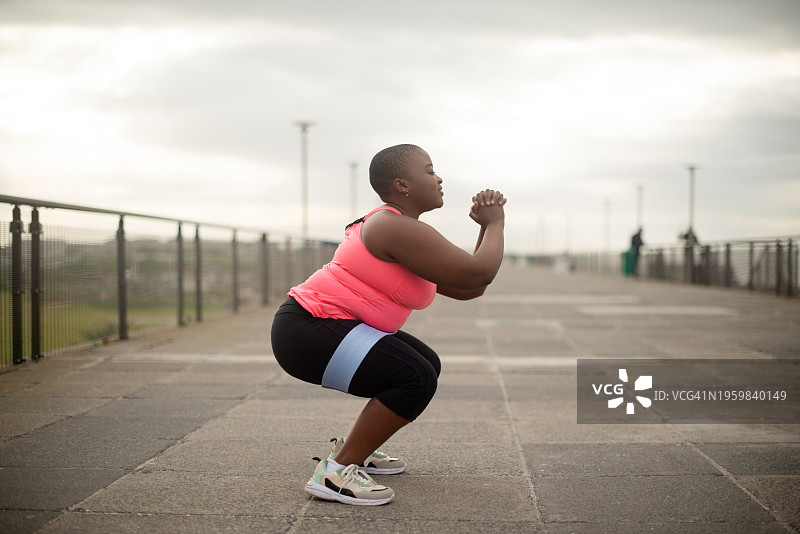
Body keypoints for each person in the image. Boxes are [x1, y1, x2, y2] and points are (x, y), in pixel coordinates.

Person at [270, 144, 506, 506]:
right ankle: (335, 474)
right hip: (308, 329)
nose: (439, 177)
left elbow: (470, 286)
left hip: (316, 328)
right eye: (429, 170)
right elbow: (481, 270)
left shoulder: (405, 231)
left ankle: (354, 450)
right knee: (414, 376)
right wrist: (495, 224)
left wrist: (485, 232)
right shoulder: (391, 226)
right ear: (402, 185)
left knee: (425, 362)